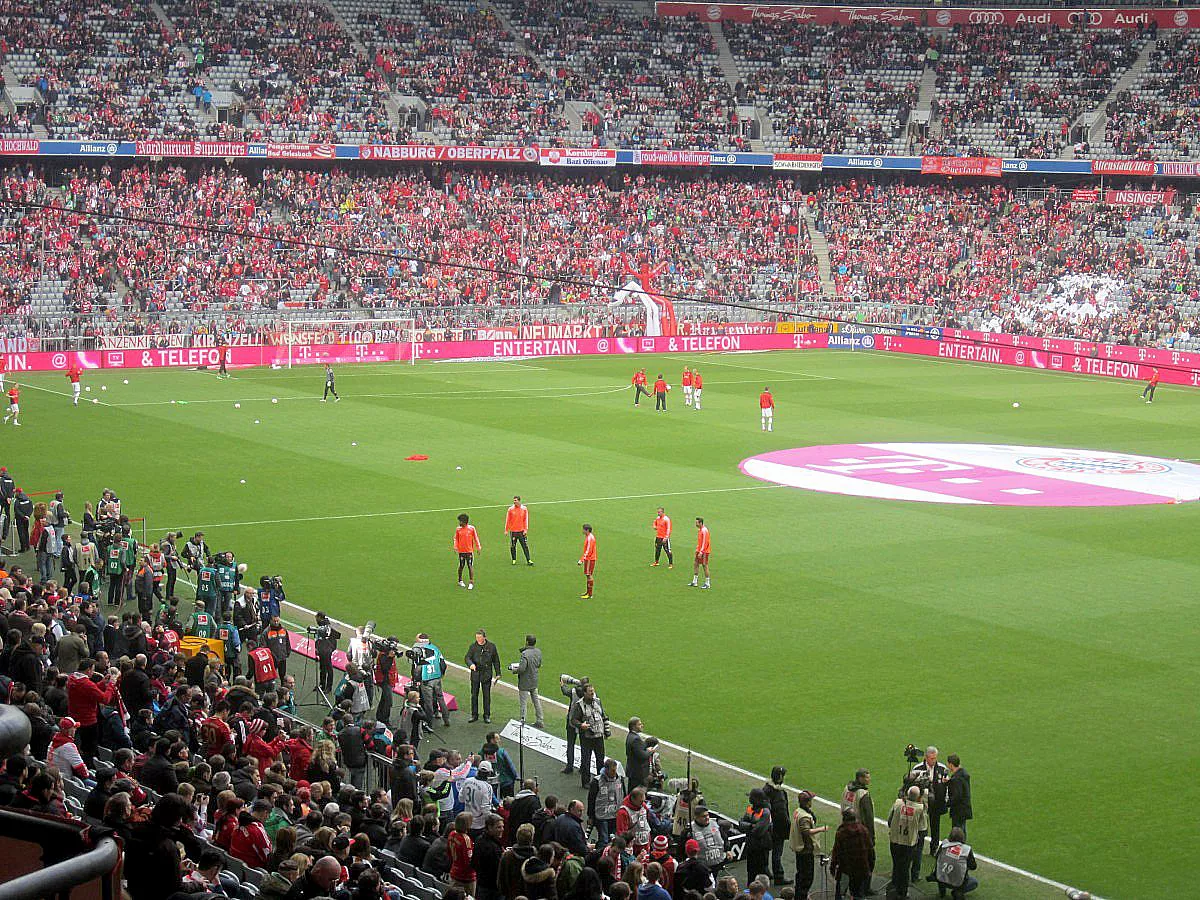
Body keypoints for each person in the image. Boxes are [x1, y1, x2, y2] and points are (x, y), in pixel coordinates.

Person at [910, 746, 949, 865]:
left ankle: (934, 848)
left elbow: (947, 786)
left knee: (935, 826)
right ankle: (915, 847)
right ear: (926, 757)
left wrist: (946, 799)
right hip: (920, 804)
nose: (934, 761)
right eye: (931, 758)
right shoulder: (917, 768)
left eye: (935, 758)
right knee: (919, 826)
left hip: (936, 804)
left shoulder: (942, 768)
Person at [887, 786, 926, 900]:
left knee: (896, 865)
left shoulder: (898, 803)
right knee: (905, 869)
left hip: (894, 840)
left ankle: (894, 888)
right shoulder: (920, 808)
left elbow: (890, 820)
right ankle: (902, 893)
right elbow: (923, 828)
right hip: (908, 843)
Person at [569, 683, 608, 788]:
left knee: (600, 759)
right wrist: (581, 725)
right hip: (586, 737)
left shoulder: (598, 702)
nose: (592, 693)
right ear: (585, 693)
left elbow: (603, 715)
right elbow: (573, 719)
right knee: (586, 759)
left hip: (598, 736)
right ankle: (586, 782)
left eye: (593, 691)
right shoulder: (579, 705)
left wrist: (606, 731)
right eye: (590, 691)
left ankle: (601, 779)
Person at [829, 809, 874, 900]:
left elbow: (836, 853)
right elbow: (871, 852)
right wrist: (869, 868)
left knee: (840, 894)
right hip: (861, 869)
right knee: (858, 894)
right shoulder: (864, 830)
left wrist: (833, 867)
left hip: (845, 869)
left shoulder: (841, 832)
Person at [790, 791, 826, 900]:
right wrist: (821, 829)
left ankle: (800, 895)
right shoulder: (804, 816)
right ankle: (802, 896)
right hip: (805, 850)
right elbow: (806, 831)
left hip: (799, 848)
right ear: (808, 802)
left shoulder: (798, 811)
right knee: (807, 878)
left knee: (801, 875)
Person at [412, 633, 450, 727]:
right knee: (441, 699)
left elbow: (417, 669)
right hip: (437, 678)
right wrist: (441, 674)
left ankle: (429, 723)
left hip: (426, 680)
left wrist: (416, 679)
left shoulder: (419, 652)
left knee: (428, 703)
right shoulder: (435, 649)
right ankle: (446, 719)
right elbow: (443, 664)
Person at [465, 628, 501, 724]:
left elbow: (496, 660)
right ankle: (474, 715)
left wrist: (498, 673)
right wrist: (471, 664)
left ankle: (487, 715)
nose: (478, 640)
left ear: (484, 637)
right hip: (475, 674)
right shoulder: (473, 647)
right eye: (477, 638)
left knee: (486, 696)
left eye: (479, 638)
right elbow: (467, 657)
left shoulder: (491, 647)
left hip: (486, 674)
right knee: (474, 695)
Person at [588, 758, 625, 848]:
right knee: (604, 840)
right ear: (606, 769)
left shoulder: (620, 779)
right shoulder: (597, 781)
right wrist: (590, 816)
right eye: (612, 770)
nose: (614, 772)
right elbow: (591, 800)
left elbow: (624, 795)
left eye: (615, 770)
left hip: (615, 815)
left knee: (612, 839)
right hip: (602, 816)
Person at [764, 767, 791, 885]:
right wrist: (788, 827)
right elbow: (782, 815)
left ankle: (766, 872)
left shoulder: (765, 789)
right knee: (777, 853)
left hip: (767, 827)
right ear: (780, 777)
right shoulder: (779, 794)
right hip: (777, 830)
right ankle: (778, 875)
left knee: (766, 851)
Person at [933, 827, 977, 899]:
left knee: (940, 868)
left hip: (941, 878)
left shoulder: (944, 845)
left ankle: (942, 891)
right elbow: (973, 866)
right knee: (974, 882)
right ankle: (958, 892)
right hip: (957, 883)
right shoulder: (966, 849)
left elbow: (936, 856)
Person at [740, 788, 773, 885]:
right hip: (752, 845)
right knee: (751, 869)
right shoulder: (750, 809)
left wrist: (748, 827)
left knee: (761, 870)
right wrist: (751, 826)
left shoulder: (765, 812)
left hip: (761, 846)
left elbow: (759, 831)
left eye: (751, 797)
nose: (749, 798)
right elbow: (740, 824)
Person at [512, 633, 544, 728]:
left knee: (523, 702)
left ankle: (522, 720)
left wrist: (514, 670)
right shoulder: (538, 652)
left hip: (525, 681)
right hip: (534, 680)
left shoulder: (525, 654)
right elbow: (538, 664)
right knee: (536, 701)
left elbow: (522, 668)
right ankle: (540, 720)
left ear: (526, 642)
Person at [561, 675, 590, 774]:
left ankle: (569, 766)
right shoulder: (590, 694)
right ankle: (583, 767)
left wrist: (562, 684)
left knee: (570, 744)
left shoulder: (573, 691)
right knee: (584, 747)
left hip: (572, 721)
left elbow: (565, 692)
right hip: (584, 723)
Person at [473, 813, 506, 900]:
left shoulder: (479, 839)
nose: (502, 829)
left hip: (481, 884)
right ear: (490, 828)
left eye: (502, 826)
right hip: (492, 890)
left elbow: (474, 863)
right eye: (498, 827)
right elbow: (499, 870)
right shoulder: (493, 848)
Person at [841, 769, 874, 851]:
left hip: (844, 825)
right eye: (867, 778)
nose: (869, 780)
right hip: (857, 830)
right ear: (860, 778)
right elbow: (868, 817)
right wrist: (871, 836)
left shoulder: (847, 788)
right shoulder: (863, 794)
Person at [448, 811, 477, 896]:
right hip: (466, 877)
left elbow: (449, 852)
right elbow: (469, 861)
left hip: (454, 871)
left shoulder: (452, 834)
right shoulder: (466, 839)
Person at [625, 717, 655, 789]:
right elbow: (643, 755)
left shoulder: (631, 736)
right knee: (636, 792)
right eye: (639, 724)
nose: (642, 725)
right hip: (637, 773)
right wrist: (650, 751)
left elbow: (638, 750)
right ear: (634, 726)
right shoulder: (636, 739)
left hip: (633, 771)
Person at [313, 612, 339, 695]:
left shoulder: (326, 626)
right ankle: (322, 685)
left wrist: (329, 649)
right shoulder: (324, 625)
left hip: (326, 649)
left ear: (320, 617)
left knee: (328, 667)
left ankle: (328, 687)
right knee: (322, 667)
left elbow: (323, 637)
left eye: (317, 618)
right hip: (323, 648)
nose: (316, 620)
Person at [946, 755, 972, 838]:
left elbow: (957, 796)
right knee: (962, 828)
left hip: (958, 810)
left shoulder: (956, 779)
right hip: (964, 808)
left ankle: (959, 848)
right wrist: (949, 782)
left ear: (951, 765)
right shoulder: (963, 774)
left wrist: (947, 803)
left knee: (958, 831)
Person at [454, 513, 481, 590]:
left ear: (464, 521)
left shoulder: (471, 528)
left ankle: (471, 582)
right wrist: (455, 547)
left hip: (469, 551)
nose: (459, 523)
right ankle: (460, 580)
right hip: (461, 551)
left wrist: (478, 547)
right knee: (461, 566)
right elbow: (456, 538)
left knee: (470, 566)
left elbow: (476, 538)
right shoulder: (458, 529)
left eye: (460, 521)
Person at [505, 495, 534, 566]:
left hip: (521, 531)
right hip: (513, 531)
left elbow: (525, 519)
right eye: (514, 500)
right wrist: (506, 529)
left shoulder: (524, 509)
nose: (514, 501)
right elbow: (508, 520)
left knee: (525, 546)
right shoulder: (510, 509)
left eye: (515, 500)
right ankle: (514, 559)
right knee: (513, 546)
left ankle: (528, 560)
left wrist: (525, 529)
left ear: (519, 501)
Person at [688, 518, 711, 589]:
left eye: (697, 523)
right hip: (699, 550)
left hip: (704, 551)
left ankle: (707, 583)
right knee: (696, 564)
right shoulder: (700, 530)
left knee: (704, 565)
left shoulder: (704, 531)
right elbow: (700, 542)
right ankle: (695, 581)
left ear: (700, 523)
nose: (695, 524)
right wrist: (697, 549)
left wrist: (701, 551)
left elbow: (705, 542)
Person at [578, 523, 597, 600]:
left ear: (587, 530)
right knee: (588, 575)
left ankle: (590, 594)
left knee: (589, 575)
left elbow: (588, 550)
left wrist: (581, 560)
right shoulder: (589, 537)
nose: (582, 531)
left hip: (589, 559)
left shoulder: (590, 538)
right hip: (589, 558)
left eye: (583, 529)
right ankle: (588, 592)